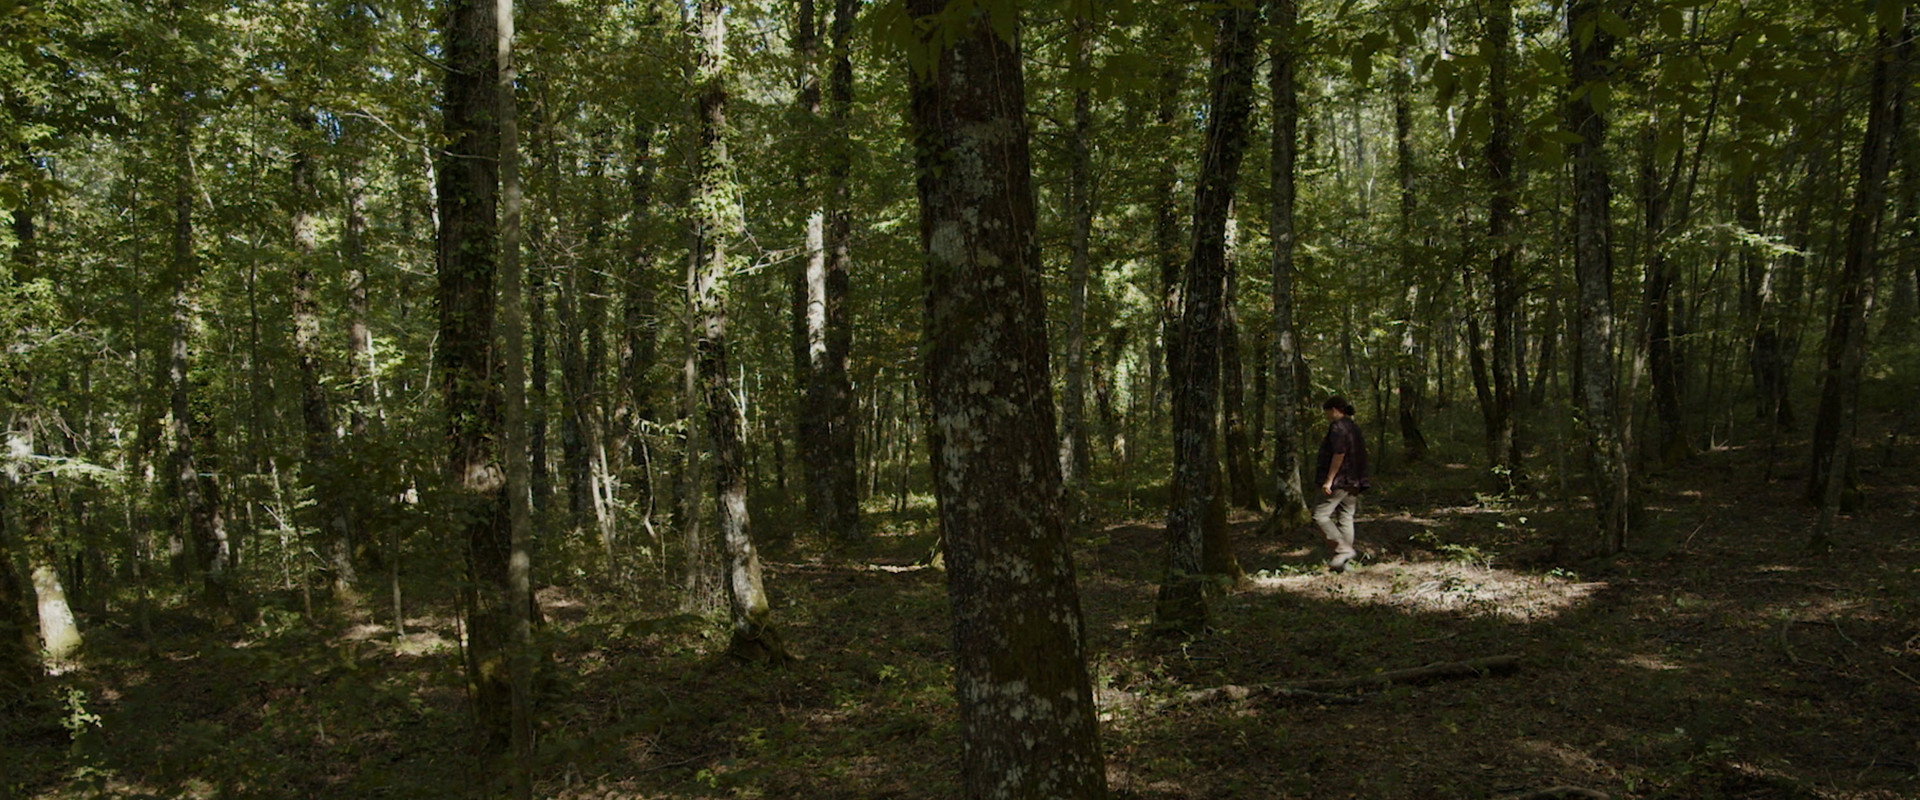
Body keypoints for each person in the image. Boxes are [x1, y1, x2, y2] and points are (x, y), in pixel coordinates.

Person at [1313, 395, 1370, 572]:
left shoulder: (1338, 427)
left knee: (1320, 515)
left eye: (1328, 413)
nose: (1327, 417)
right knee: (1346, 517)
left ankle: (1342, 549)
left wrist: (1329, 480)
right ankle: (1345, 563)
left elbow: (1339, 454)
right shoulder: (1353, 427)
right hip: (1355, 480)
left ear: (1335, 410)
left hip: (1341, 480)